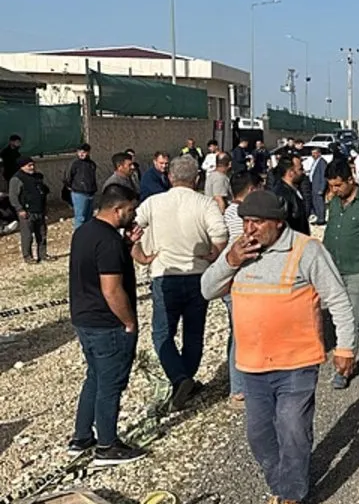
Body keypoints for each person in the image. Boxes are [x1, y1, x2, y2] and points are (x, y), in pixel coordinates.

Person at [200, 191, 357, 504]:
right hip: (252, 365)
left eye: (257, 223)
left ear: (278, 223)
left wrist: (346, 346)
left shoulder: (306, 250)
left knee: (292, 429)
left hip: (296, 363)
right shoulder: (239, 252)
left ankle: (291, 498)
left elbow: (338, 299)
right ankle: (280, 484)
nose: (250, 230)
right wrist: (229, 259)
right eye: (245, 222)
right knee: (259, 434)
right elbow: (207, 290)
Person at [132, 156, 229, 410]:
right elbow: (221, 233)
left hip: (164, 274)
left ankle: (179, 378)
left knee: (162, 333)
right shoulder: (205, 203)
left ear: (170, 177)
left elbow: (130, 228)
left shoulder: (152, 203)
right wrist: (214, 254)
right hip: (198, 274)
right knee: (194, 332)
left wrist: (140, 255)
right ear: (197, 178)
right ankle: (185, 379)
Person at [67, 183, 146, 466]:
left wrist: (126, 245)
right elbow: (112, 289)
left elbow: (95, 266)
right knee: (110, 384)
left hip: (83, 318)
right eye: (131, 209)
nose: (133, 214)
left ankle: (81, 437)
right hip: (107, 323)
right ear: (117, 209)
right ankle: (107, 445)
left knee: (95, 377)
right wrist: (129, 322)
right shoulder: (109, 242)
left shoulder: (84, 232)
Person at [323, 158, 359, 389]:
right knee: (356, 313)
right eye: (331, 185)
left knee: (349, 316)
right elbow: (331, 232)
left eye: (338, 185)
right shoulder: (336, 203)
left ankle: (344, 369)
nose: (334, 190)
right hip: (335, 268)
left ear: (350, 180)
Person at [221, 170, 262, 406]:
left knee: (236, 333)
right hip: (237, 283)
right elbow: (243, 248)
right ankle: (238, 389)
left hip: (233, 283)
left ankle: (236, 380)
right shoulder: (239, 215)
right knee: (241, 335)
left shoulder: (229, 212)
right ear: (251, 190)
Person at [10, 156, 49, 263]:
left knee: (42, 234)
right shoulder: (17, 179)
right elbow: (13, 196)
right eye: (29, 165)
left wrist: (45, 208)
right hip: (26, 212)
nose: (32, 167)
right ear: (22, 167)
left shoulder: (37, 177)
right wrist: (19, 209)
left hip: (39, 210)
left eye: (33, 165)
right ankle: (28, 257)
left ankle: (43, 255)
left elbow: (43, 192)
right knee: (27, 236)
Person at [272, 153, 310, 235]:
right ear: (291, 172)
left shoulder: (294, 190)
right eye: (300, 169)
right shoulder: (282, 194)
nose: (303, 172)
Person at [65, 143, 99, 229]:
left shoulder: (91, 164)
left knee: (89, 217)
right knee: (80, 218)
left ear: (88, 152)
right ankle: (78, 237)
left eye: (84, 152)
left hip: (90, 193)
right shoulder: (74, 163)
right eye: (79, 152)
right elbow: (67, 177)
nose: (81, 154)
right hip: (79, 193)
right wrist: (72, 187)